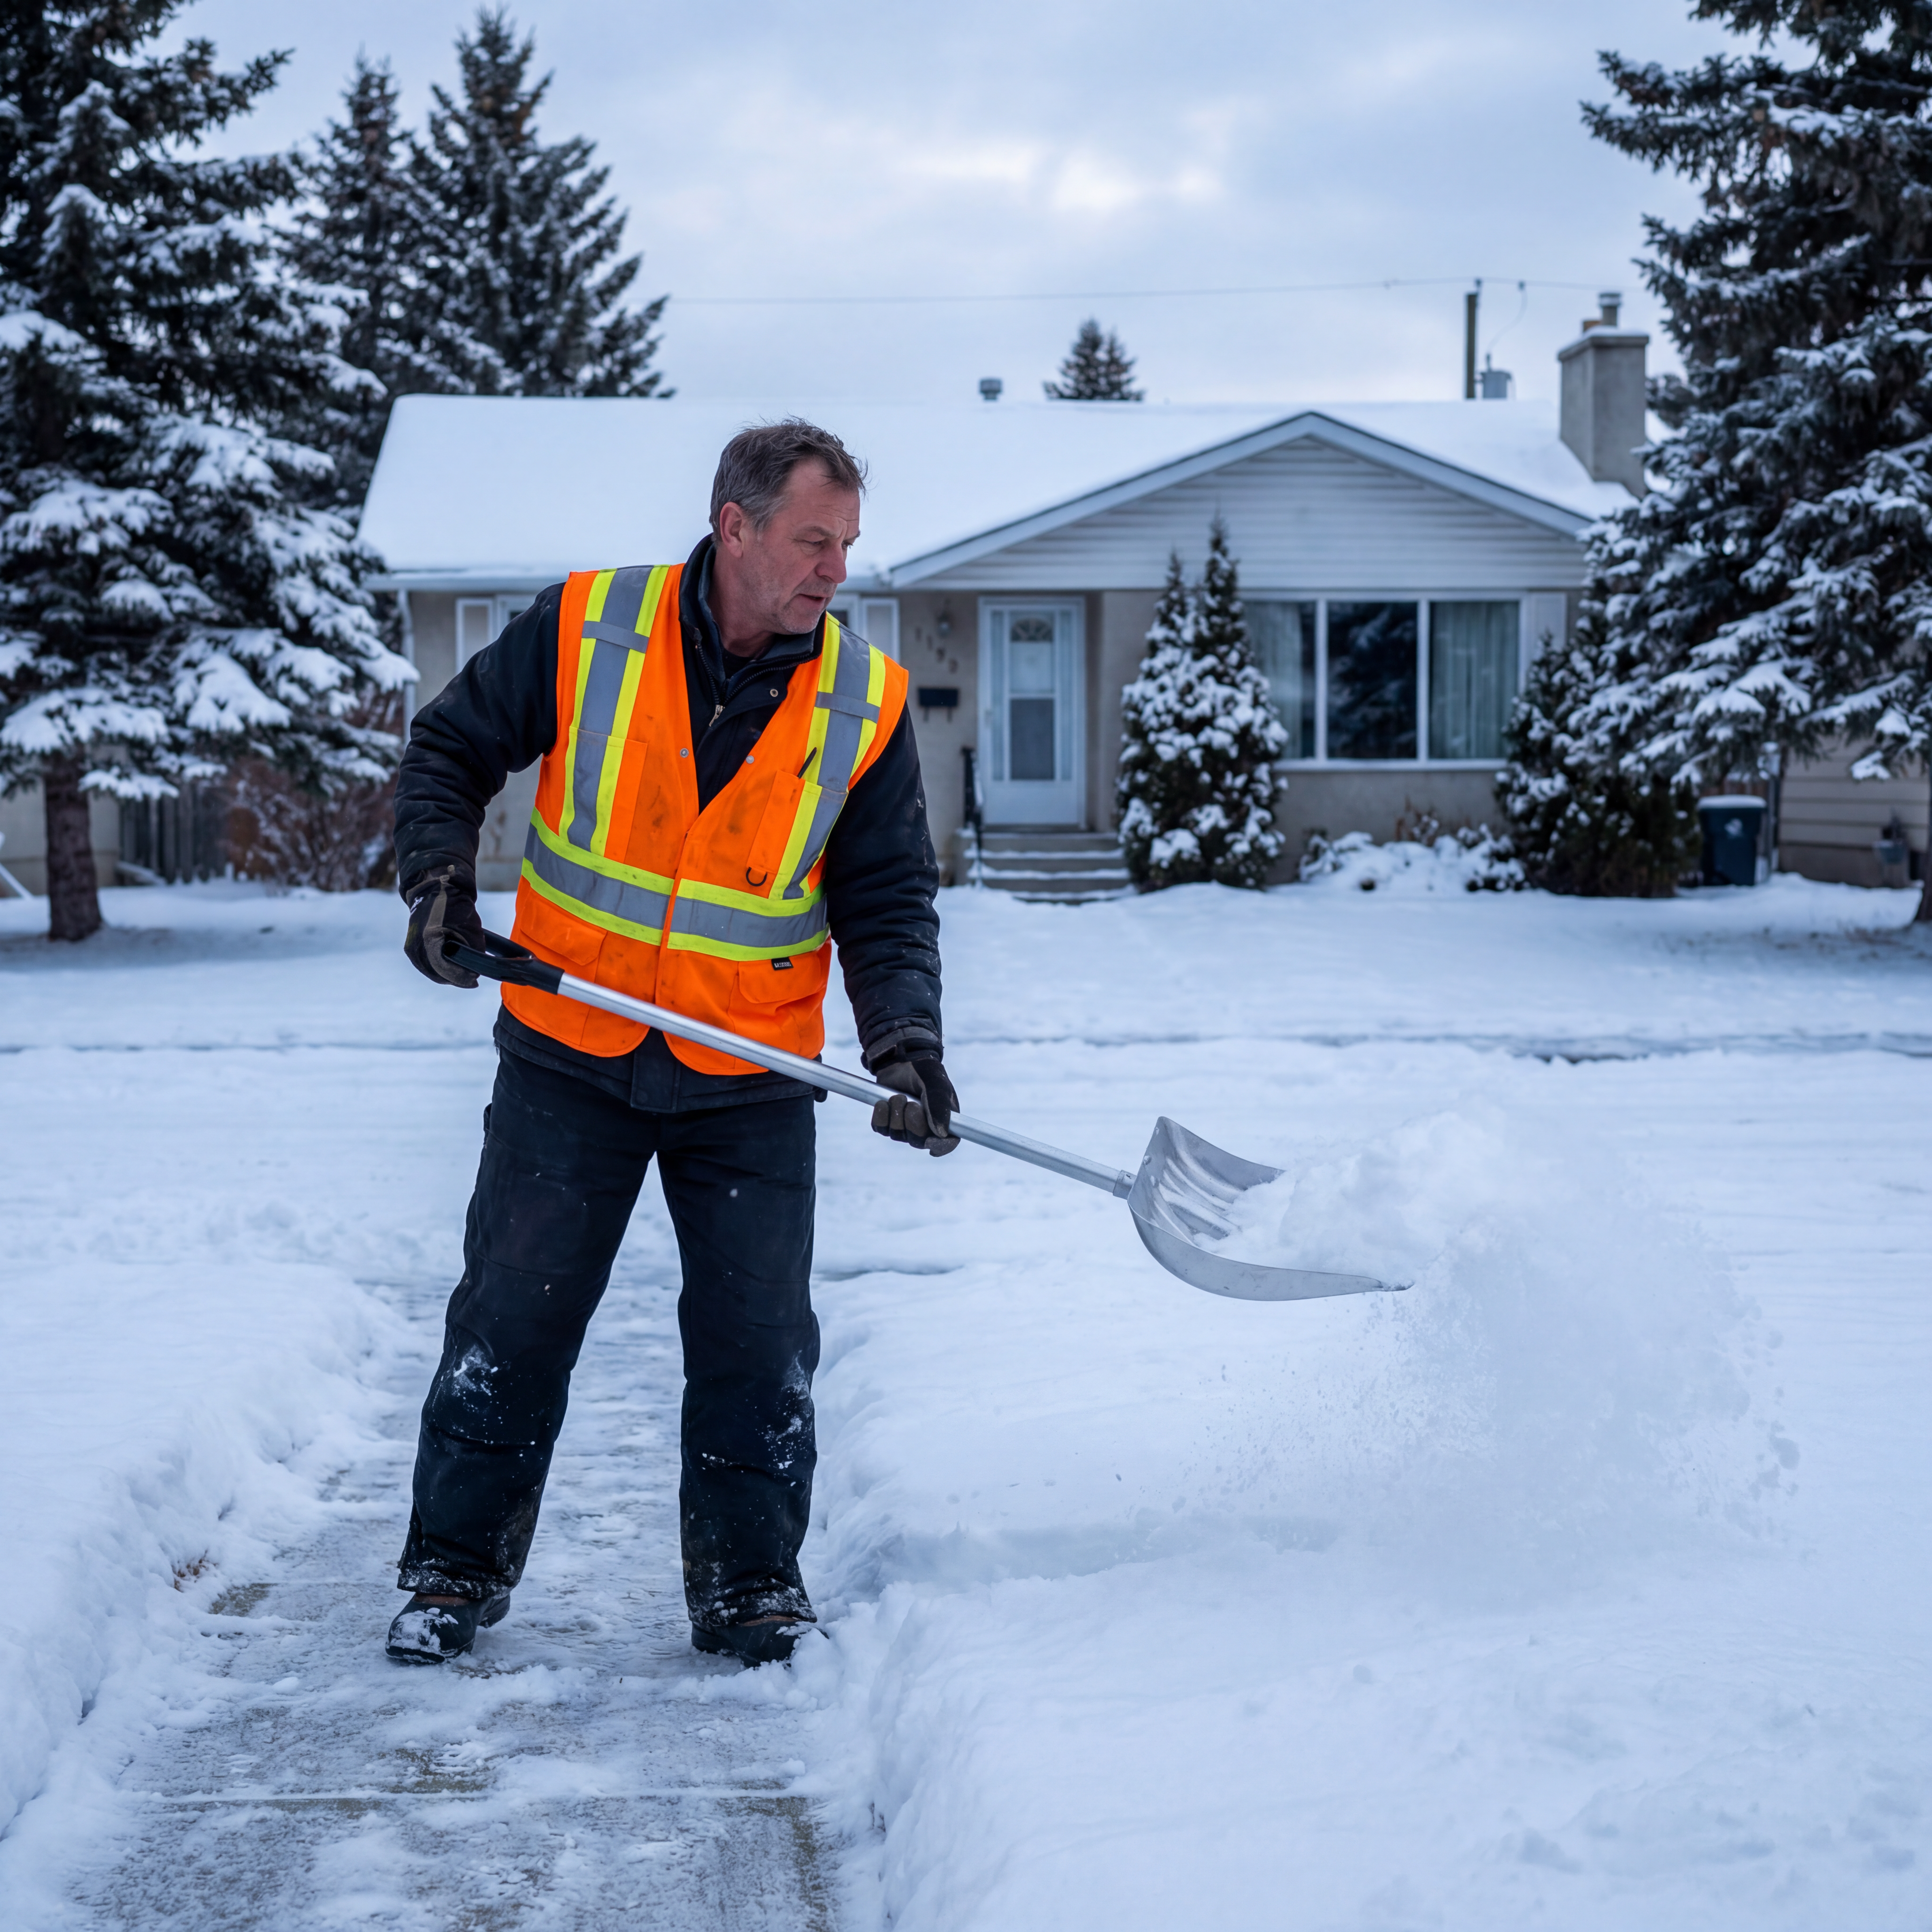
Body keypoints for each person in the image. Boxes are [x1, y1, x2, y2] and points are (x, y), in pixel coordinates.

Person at [385, 419, 957, 1667]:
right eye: (813, 540)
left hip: (751, 1076)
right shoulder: (591, 628)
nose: (834, 572)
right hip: (566, 1052)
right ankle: (450, 1571)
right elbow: (450, 747)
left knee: (758, 1343)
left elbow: (886, 894)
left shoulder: (863, 698)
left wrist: (904, 1042)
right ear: (734, 525)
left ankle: (749, 1585)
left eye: (848, 545)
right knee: (513, 1320)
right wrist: (435, 877)